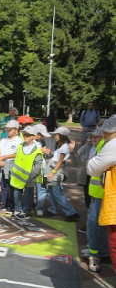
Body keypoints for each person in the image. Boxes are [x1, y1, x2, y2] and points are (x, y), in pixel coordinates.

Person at [87, 117, 116, 275]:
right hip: (99, 193)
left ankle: (95, 254)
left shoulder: (111, 146)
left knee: (95, 224)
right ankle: (100, 253)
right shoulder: (99, 146)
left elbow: (92, 168)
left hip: (108, 199)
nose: (99, 136)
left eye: (105, 133)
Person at [69, 129, 103, 231]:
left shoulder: (105, 150)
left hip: (100, 181)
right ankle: (89, 225)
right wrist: (71, 151)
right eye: (92, 136)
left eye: (96, 137)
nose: (93, 139)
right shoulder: (86, 148)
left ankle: (97, 227)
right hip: (87, 179)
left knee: (99, 206)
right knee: (89, 203)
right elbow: (76, 162)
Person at [43, 127, 80, 221]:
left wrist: (53, 172)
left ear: (61, 136)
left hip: (56, 170)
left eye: (56, 135)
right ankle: (52, 209)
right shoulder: (61, 145)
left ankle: (72, 213)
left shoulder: (64, 146)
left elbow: (59, 162)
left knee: (57, 192)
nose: (54, 136)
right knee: (51, 191)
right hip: (52, 168)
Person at [10, 126, 43, 220]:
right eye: (25, 135)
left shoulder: (37, 150)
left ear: (33, 136)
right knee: (17, 194)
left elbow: (37, 165)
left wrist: (32, 175)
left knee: (28, 195)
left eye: (28, 135)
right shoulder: (20, 146)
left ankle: (26, 211)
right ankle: (17, 209)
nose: (25, 136)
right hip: (18, 176)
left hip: (30, 177)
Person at [0, 120, 23, 212]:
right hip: (2, 164)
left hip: (11, 164)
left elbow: (17, 153)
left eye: (10, 130)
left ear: (16, 130)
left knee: (11, 186)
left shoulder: (19, 141)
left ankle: (11, 204)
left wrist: (4, 157)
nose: (8, 131)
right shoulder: (4, 140)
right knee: (3, 185)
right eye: (7, 130)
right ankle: (3, 203)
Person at [33, 124, 52, 217]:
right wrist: (40, 151)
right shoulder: (29, 141)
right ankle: (29, 206)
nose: (43, 136)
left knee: (41, 188)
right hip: (32, 168)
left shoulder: (42, 141)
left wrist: (46, 152)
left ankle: (39, 208)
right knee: (29, 189)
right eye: (41, 134)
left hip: (42, 167)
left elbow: (43, 154)